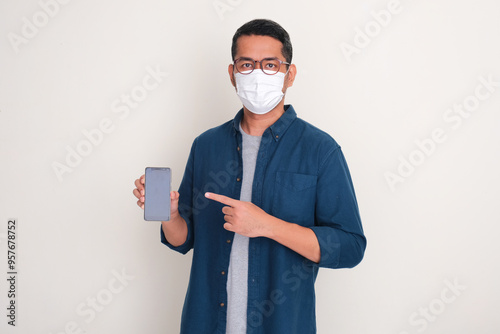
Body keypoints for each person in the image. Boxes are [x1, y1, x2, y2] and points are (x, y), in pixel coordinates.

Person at [133, 19, 366, 334]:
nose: (258, 74)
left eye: (270, 64)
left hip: (282, 325)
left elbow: (350, 246)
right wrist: (170, 214)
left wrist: (267, 225)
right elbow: (183, 240)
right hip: (205, 324)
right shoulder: (206, 146)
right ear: (232, 74)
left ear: (289, 74)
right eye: (247, 64)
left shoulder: (320, 150)